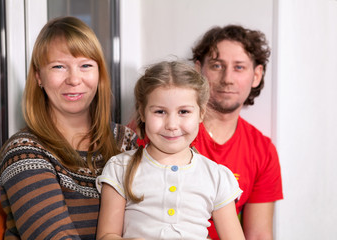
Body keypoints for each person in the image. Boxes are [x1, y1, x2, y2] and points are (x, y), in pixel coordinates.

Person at [0, 16, 137, 239]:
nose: (74, 79)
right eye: (59, 66)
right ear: (38, 77)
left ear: (99, 74)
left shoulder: (126, 141)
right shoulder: (24, 151)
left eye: (86, 66)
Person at [96, 61, 245, 240]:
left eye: (183, 112)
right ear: (142, 113)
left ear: (201, 113)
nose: (172, 125)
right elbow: (106, 235)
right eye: (160, 112)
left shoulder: (216, 176)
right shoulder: (120, 168)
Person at [190, 25, 283, 239]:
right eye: (216, 65)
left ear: (256, 75)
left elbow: (259, 234)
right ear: (198, 70)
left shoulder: (263, 150)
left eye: (239, 67)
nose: (227, 78)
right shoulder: (165, 130)